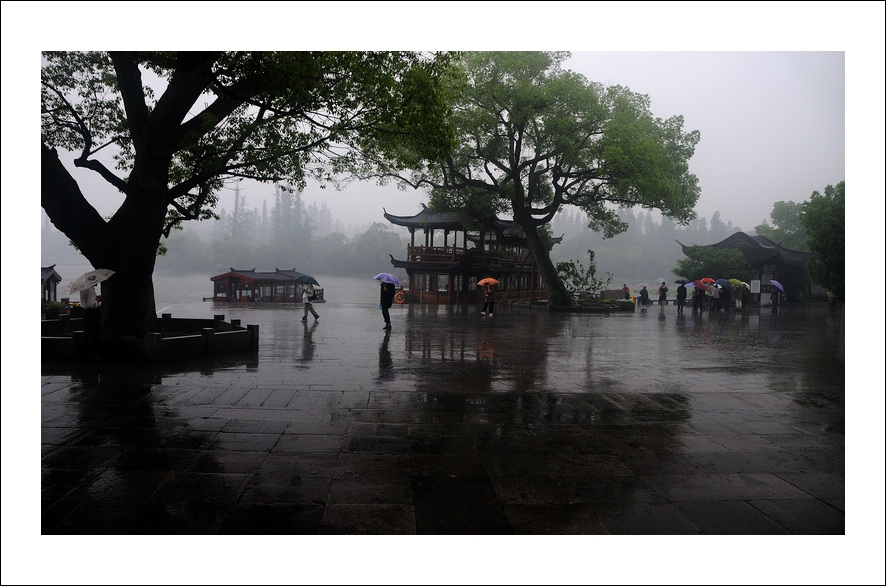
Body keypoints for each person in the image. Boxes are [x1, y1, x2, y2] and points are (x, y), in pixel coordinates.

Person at [80, 284, 101, 361]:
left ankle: (85, 354)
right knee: (93, 333)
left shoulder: (83, 289)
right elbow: (90, 304)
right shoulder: (90, 290)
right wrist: (98, 300)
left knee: (87, 332)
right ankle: (92, 354)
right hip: (92, 313)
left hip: (85, 312)